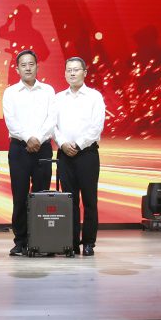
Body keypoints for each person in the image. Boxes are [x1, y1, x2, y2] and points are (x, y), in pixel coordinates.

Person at [2, 49, 57, 256]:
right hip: (19, 148)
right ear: (17, 69)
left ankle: (40, 240)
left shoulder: (48, 91)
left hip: (43, 148)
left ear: (37, 67)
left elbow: (52, 119)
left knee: (41, 195)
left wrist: (38, 139)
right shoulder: (10, 93)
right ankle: (20, 241)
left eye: (31, 64)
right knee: (20, 196)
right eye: (23, 65)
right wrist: (28, 138)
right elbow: (11, 121)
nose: (27, 68)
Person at [54, 56, 106, 257]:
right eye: (69, 70)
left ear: (85, 72)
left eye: (76, 69)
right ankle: (71, 242)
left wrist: (78, 144)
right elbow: (53, 126)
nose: (72, 73)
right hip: (64, 154)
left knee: (90, 199)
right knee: (69, 200)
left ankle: (89, 242)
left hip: (87, 154)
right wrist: (62, 143)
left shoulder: (94, 97)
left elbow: (96, 127)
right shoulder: (58, 98)